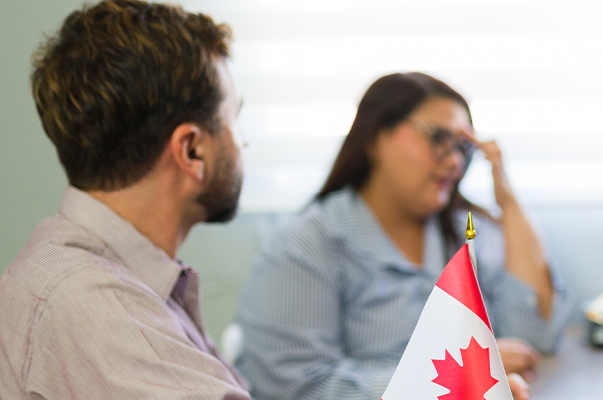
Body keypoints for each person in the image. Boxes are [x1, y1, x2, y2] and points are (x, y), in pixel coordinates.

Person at [233, 72, 573, 400]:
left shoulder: (466, 232)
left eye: (463, 148)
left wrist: (508, 201)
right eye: (438, 138)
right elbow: (297, 389)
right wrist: (452, 381)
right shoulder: (306, 248)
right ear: (375, 137)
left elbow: (534, 338)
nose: (455, 162)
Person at [0, 1, 251, 398]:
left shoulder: (121, 281)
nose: (244, 141)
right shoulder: (94, 306)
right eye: (234, 118)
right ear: (191, 151)